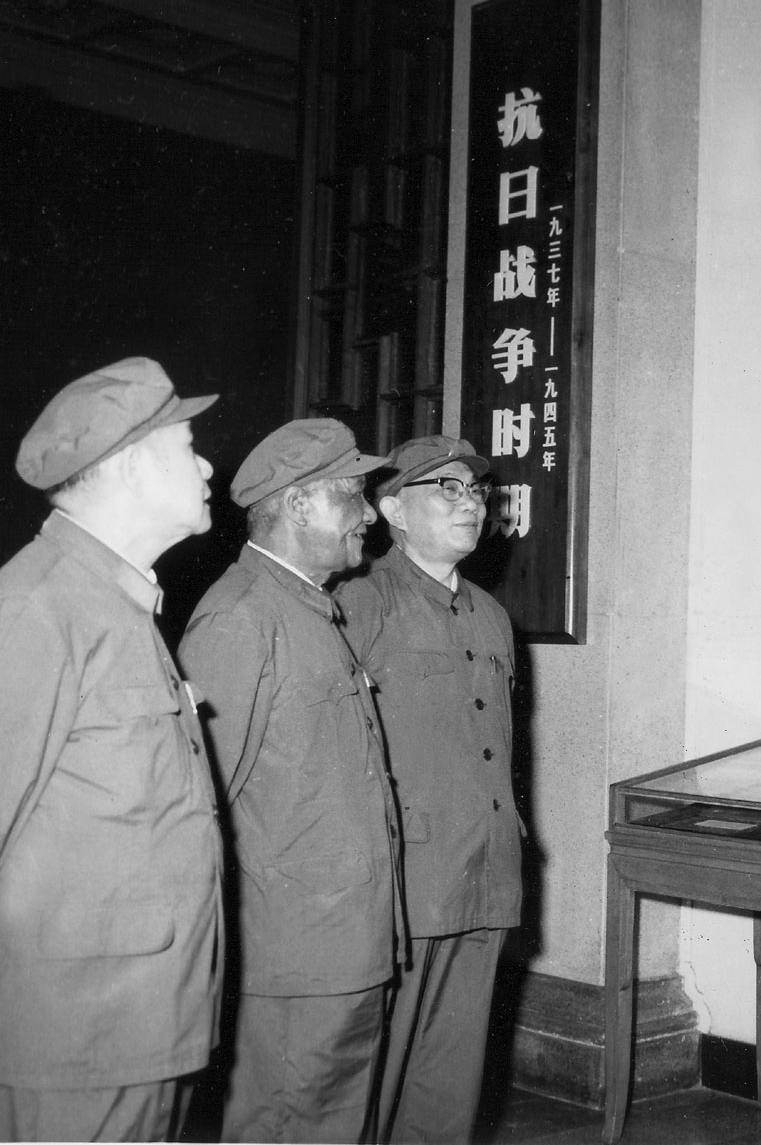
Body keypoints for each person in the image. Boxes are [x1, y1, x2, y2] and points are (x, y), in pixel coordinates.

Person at [0, 357, 224, 1141]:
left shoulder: (117, 604)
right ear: (129, 465)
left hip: (141, 1022)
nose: (206, 467)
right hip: (72, 1043)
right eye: (188, 447)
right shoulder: (36, 607)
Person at [178, 417, 402, 1144]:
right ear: (300, 504)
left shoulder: (305, 607)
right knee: (288, 1123)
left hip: (343, 940)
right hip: (293, 952)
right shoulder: (241, 616)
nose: (370, 514)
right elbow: (201, 806)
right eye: (353, 495)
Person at [335, 434, 523, 1145]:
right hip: (406, 881)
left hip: (484, 870)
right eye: (446, 488)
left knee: (450, 1083)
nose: (469, 502)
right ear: (392, 510)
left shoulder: (490, 614)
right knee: (376, 1079)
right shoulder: (359, 601)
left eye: (475, 490)